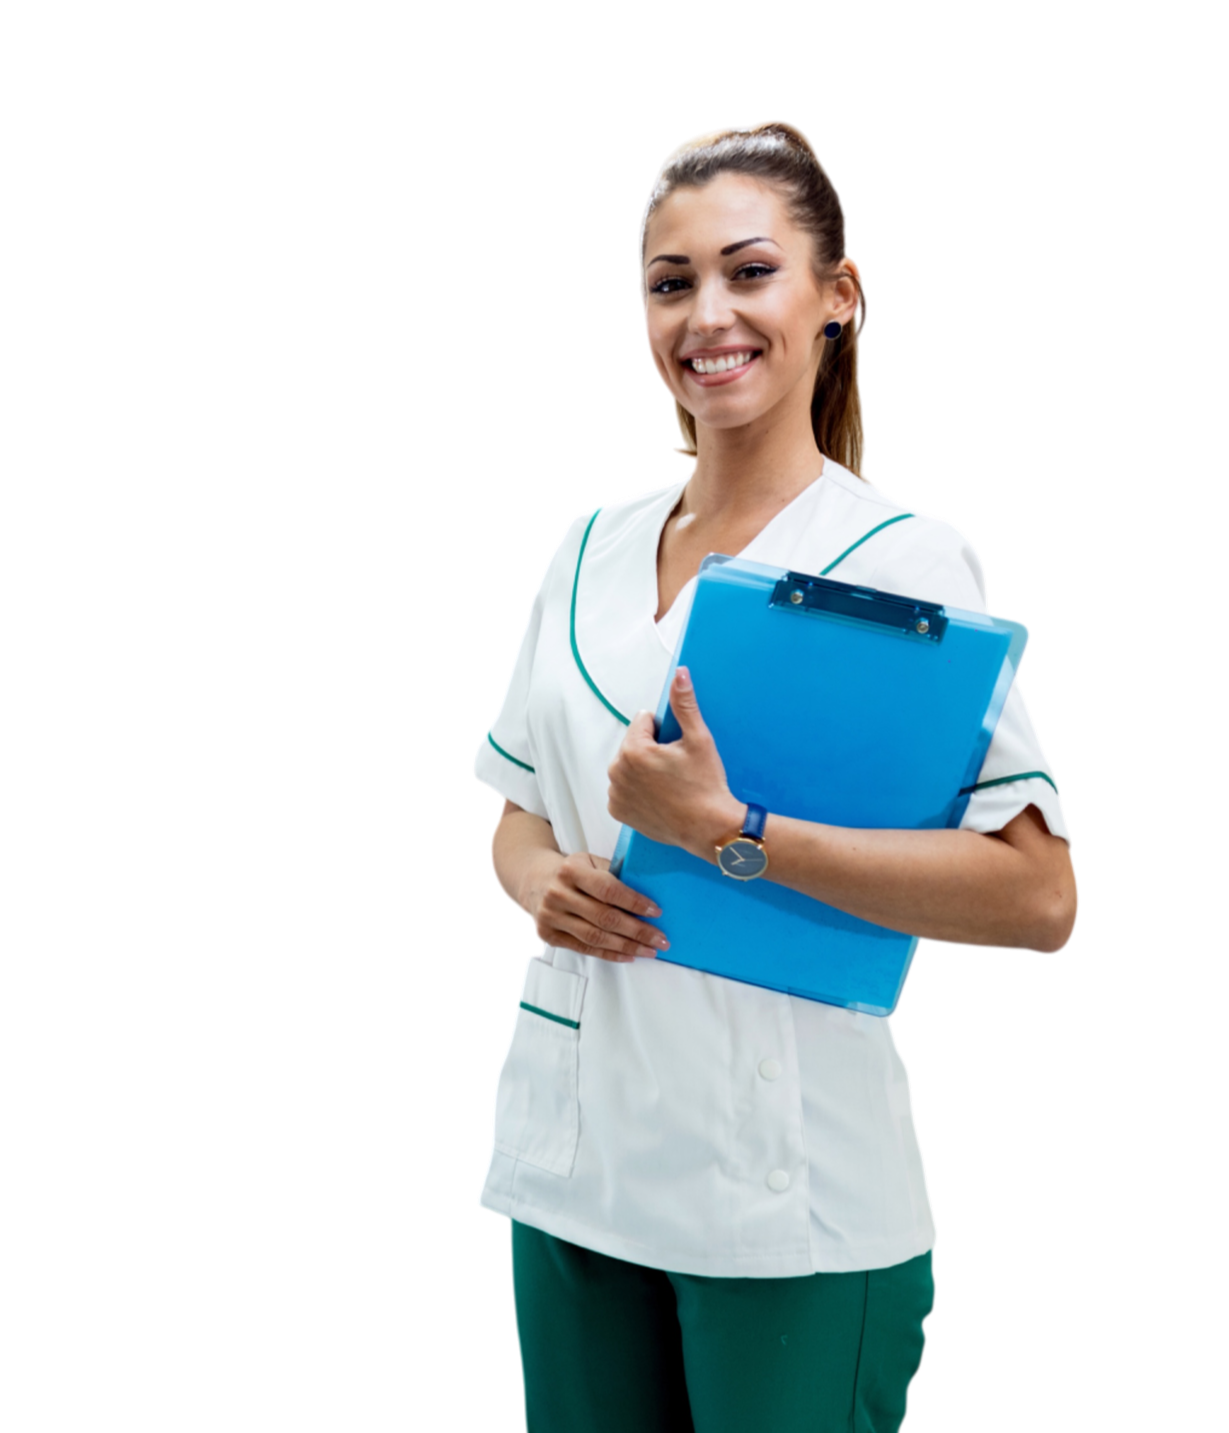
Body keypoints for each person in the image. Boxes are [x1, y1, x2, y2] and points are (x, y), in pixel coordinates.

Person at [476, 122, 1079, 1433]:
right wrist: (544, 886)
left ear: (837, 298)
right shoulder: (589, 544)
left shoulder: (904, 563)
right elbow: (519, 811)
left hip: (787, 1196)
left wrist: (731, 832)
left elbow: (1036, 898)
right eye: (671, 282)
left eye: (750, 272)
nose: (709, 315)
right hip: (570, 1168)